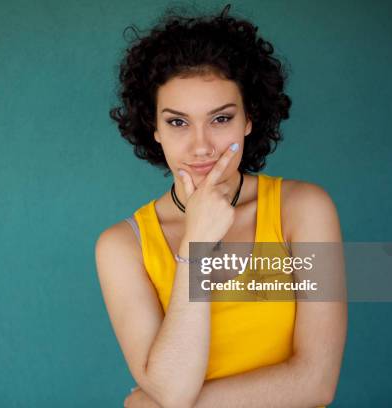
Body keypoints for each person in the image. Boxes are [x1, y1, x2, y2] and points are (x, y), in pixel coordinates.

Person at [95, 4, 347, 407]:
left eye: (220, 119)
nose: (201, 146)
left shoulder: (304, 211)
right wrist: (197, 243)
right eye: (178, 122)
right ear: (154, 129)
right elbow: (173, 390)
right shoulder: (122, 246)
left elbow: (315, 382)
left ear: (250, 118)